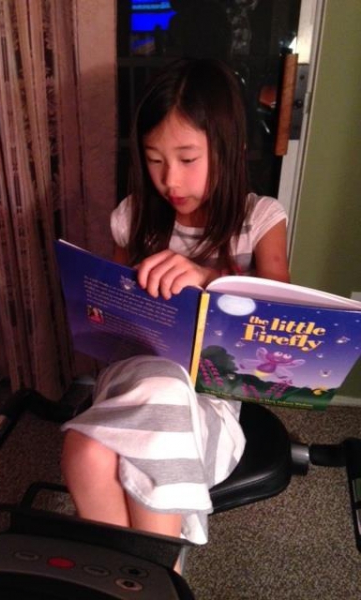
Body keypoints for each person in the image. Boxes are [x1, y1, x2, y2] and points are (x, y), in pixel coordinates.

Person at [60, 58, 290, 558]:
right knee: (96, 445)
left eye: (187, 159)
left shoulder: (260, 219)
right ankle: (154, 577)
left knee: (93, 447)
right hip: (131, 379)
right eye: (154, 160)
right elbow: (111, 317)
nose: (170, 179)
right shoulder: (133, 217)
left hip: (205, 401)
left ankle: (145, 577)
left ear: (228, 150)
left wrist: (209, 278)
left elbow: (280, 320)